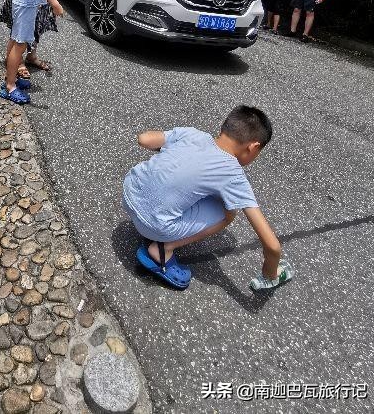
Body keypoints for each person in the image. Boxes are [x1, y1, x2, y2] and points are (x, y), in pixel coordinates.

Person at [122, 105, 295, 291]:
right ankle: (163, 249)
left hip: (128, 194)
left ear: (224, 128)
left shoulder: (193, 134)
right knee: (227, 211)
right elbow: (272, 245)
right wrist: (271, 273)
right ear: (253, 147)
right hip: (152, 224)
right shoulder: (233, 174)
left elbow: (144, 139)